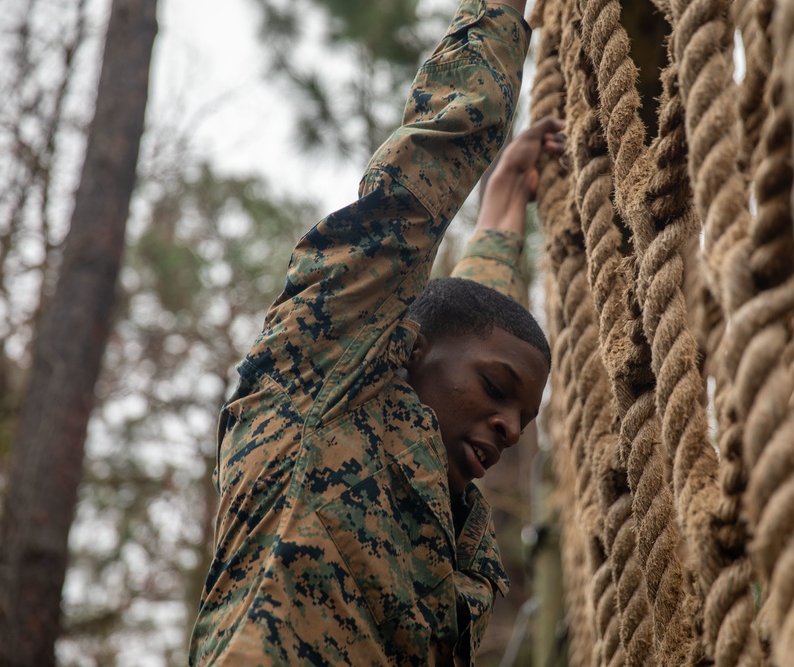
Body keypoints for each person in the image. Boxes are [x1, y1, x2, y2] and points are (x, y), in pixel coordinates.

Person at [188, 0, 565, 662]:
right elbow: (417, 186)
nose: (509, 429)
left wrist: (504, 210)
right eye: (497, 392)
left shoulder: (441, 528)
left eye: (522, 417)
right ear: (406, 347)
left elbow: (473, 330)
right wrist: (503, 13)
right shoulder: (315, 389)